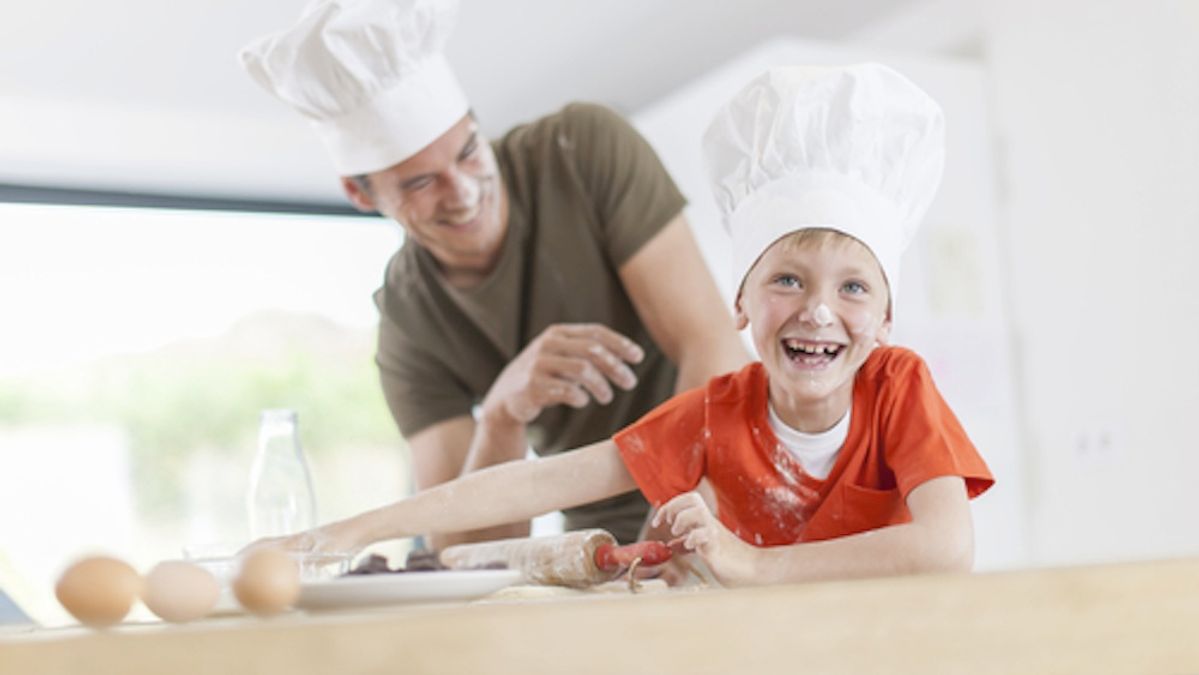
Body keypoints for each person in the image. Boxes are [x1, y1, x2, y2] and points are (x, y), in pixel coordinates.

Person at [254, 63, 995, 586]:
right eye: (786, 280)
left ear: (887, 317)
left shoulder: (898, 388)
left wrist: (755, 564)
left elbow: (943, 544)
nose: (818, 309)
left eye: (854, 287)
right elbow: (533, 483)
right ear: (741, 303)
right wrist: (343, 533)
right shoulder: (710, 416)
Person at [240, 0, 748, 548]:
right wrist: (503, 416)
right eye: (419, 183)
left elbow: (711, 346)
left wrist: (675, 520)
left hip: (719, 496)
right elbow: (465, 552)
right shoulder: (409, 322)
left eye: (468, 151)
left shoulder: (581, 151)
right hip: (602, 540)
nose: (463, 192)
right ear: (360, 193)